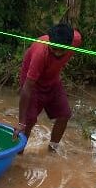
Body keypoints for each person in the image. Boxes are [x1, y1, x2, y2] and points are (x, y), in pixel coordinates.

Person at [13, 23, 82, 152]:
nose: (57, 53)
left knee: (64, 114)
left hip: (52, 81)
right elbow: (27, 88)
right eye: (54, 48)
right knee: (29, 120)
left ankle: (52, 149)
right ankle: (17, 155)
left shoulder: (76, 39)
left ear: (70, 44)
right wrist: (21, 121)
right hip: (33, 84)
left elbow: (77, 32)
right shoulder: (40, 53)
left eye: (61, 50)